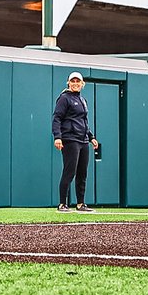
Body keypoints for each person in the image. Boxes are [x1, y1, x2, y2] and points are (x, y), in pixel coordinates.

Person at [53, 71, 99, 213]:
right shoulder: (64, 98)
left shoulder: (83, 100)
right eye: (72, 81)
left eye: (77, 81)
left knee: (82, 173)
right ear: (68, 83)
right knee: (69, 171)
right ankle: (62, 204)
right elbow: (57, 118)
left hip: (83, 140)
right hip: (70, 139)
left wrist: (91, 137)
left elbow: (84, 122)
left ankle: (80, 204)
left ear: (82, 84)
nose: (75, 83)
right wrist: (57, 137)